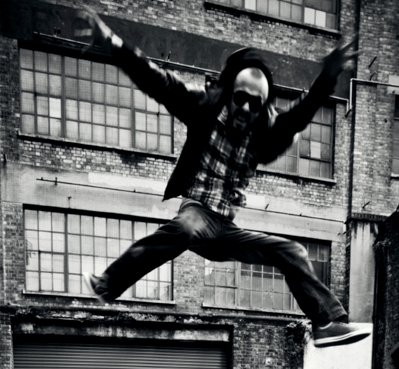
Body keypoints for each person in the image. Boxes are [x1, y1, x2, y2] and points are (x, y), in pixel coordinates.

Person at [77, 11, 370, 347]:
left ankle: (325, 324)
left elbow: (299, 116)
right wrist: (112, 42)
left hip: (226, 230)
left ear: (262, 108)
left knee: (291, 251)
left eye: (254, 104)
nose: (244, 109)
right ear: (230, 92)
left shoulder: (266, 134)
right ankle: (107, 284)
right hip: (197, 212)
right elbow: (156, 80)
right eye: (240, 98)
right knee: (186, 227)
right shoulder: (204, 107)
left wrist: (327, 78)